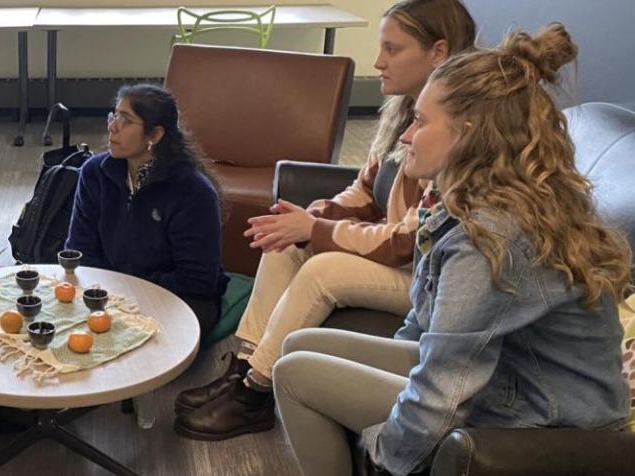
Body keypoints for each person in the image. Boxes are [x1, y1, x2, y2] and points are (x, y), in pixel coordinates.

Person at [274, 23, 633, 476]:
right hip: (509, 378)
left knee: (295, 376)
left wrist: (383, 449)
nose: (404, 136)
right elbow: (424, 329)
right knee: (298, 344)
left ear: (466, 134)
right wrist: (379, 393)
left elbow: (444, 389)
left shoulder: (492, 235)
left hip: (548, 418)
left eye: (420, 122)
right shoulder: (470, 203)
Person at [173, 0, 478, 441]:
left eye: (392, 50)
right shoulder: (405, 115)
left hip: (429, 275)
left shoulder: (454, 131)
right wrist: (310, 217)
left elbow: (410, 241)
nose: (378, 62)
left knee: (322, 268)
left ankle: (256, 394)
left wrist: (316, 232)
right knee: (285, 244)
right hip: (401, 260)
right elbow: (364, 191)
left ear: (438, 52)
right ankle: (243, 370)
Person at [65, 84, 229, 338]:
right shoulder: (95, 173)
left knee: (136, 340)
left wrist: (128, 290)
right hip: (107, 291)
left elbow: (197, 281)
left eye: (126, 120)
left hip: (177, 299)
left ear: (155, 135)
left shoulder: (192, 191)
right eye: (114, 115)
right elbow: (80, 249)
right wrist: (107, 294)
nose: (112, 127)